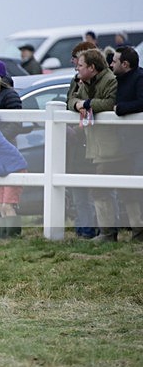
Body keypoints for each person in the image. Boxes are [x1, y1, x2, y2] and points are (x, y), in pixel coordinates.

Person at [67, 48, 125, 242]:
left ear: (92, 67)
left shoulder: (110, 81)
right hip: (94, 144)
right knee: (102, 189)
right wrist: (78, 104)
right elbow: (71, 100)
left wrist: (87, 103)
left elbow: (111, 103)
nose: (77, 68)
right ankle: (108, 232)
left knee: (105, 189)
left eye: (81, 65)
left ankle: (109, 233)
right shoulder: (83, 81)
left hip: (112, 145)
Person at [111, 46, 143, 241]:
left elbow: (142, 102)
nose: (111, 64)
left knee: (138, 186)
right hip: (124, 144)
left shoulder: (140, 78)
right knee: (128, 189)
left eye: (114, 61)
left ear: (125, 64)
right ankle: (136, 230)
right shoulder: (118, 80)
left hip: (138, 144)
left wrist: (121, 108)